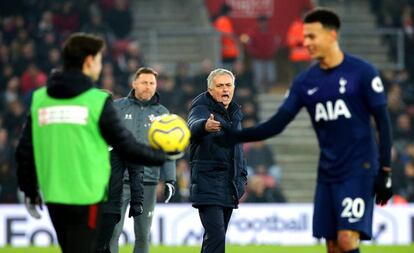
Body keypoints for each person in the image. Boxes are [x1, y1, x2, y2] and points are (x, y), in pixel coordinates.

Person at [225, 8, 393, 253]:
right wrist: (236, 136)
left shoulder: (362, 72)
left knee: (347, 239)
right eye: (305, 37)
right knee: (333, 245)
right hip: (327, 172)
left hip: (359, 168)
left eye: (312, 36)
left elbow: (383, 122)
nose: (306, 42)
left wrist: (385, 171)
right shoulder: (306, 81)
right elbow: (277, 124)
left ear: (332, 35)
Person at [15, 33, 170, 253]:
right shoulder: (97, 101)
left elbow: (26, 150)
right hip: (88, 195)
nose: (99, 65)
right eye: (98, 60)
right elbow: (126, 145)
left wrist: (30, 188)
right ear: (88, 61)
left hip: (55, 194)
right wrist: (163, 155)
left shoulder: (41, 99)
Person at [102, 67, 176, 253]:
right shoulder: (117, 107)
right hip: (117, 181)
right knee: (112, 233)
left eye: (152, 83)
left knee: (143, 235)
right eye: (144, 82)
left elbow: (168, 149)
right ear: (134, 83)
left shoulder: (162, 113)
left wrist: (170, 180)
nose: (148, 87)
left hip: (148, 183)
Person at [187, 68, 247, 253]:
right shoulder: (201, 108)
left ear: (234, 88)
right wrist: (205, 126)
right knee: (216, 238)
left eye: (228, 85)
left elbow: (238, 151)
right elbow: (193, 126)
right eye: (219, 86)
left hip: (229, 186)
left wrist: (242, 177)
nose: (224, 89)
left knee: (213, 240)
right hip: (208, 184)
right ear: (210, 90)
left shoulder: (235, 114)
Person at [212, 4, 240, 69]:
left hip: (228, 52)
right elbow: (225, 33)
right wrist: (234, 38)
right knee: (228, 72)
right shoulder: (223, 20)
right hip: (227, 53)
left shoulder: (223, 20)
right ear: (227, 12)